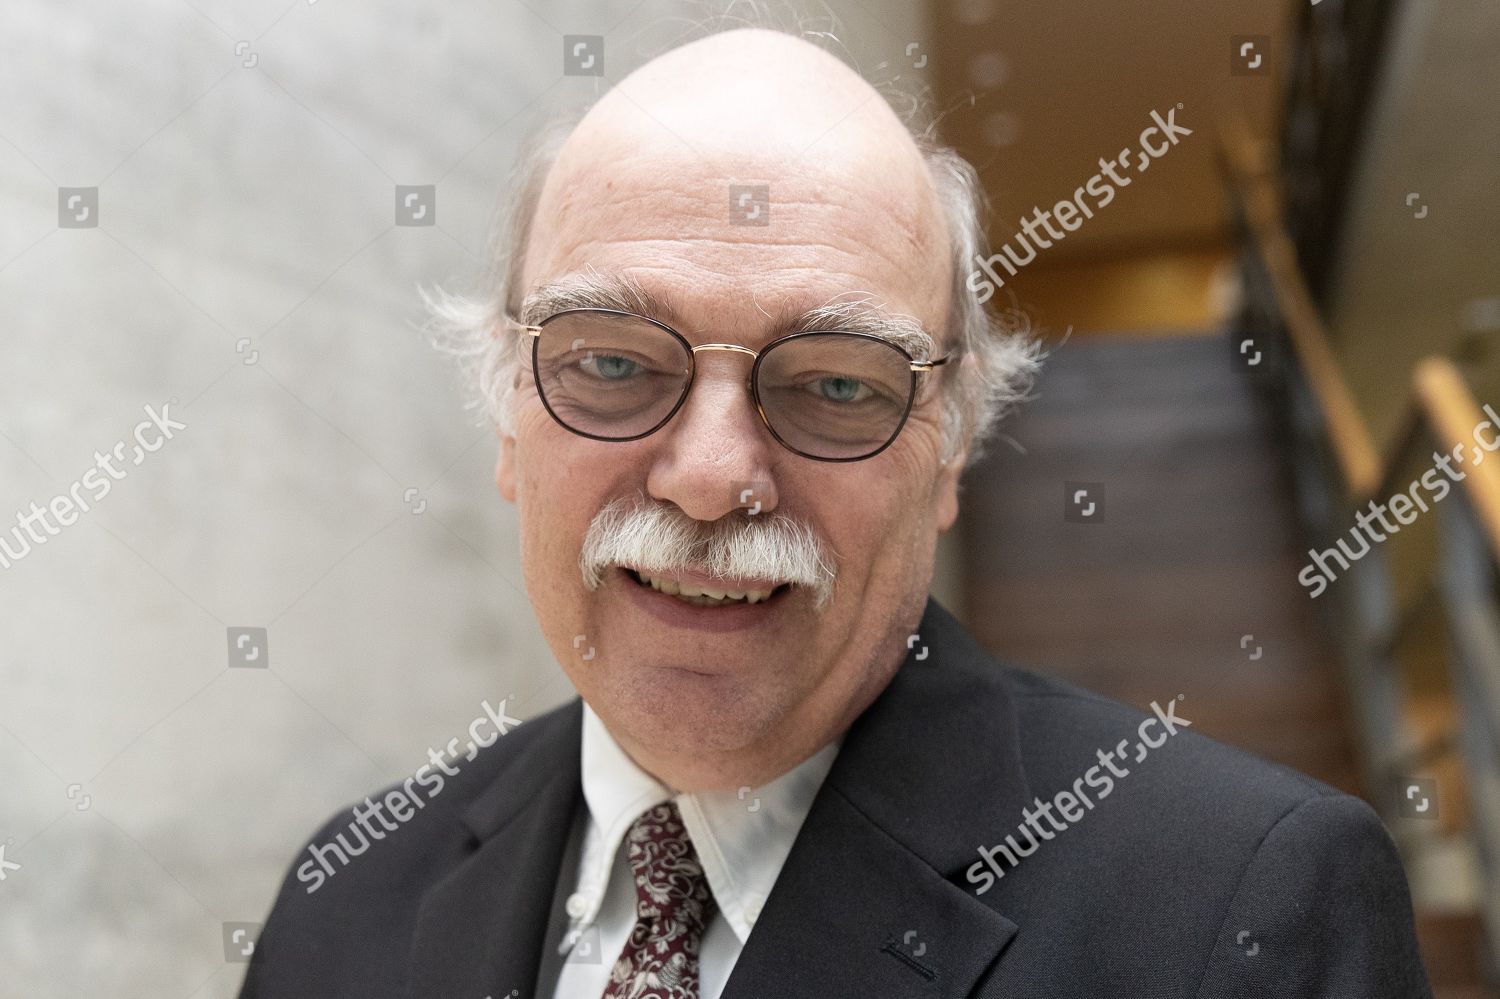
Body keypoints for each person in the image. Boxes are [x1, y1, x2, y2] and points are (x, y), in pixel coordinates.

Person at [240, 21, 1433, 999]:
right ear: (508, 416)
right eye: (612, 365)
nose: (709, 476)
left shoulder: (1245, 914)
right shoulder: (344, 903)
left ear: (950, 450)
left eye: (835, 385)